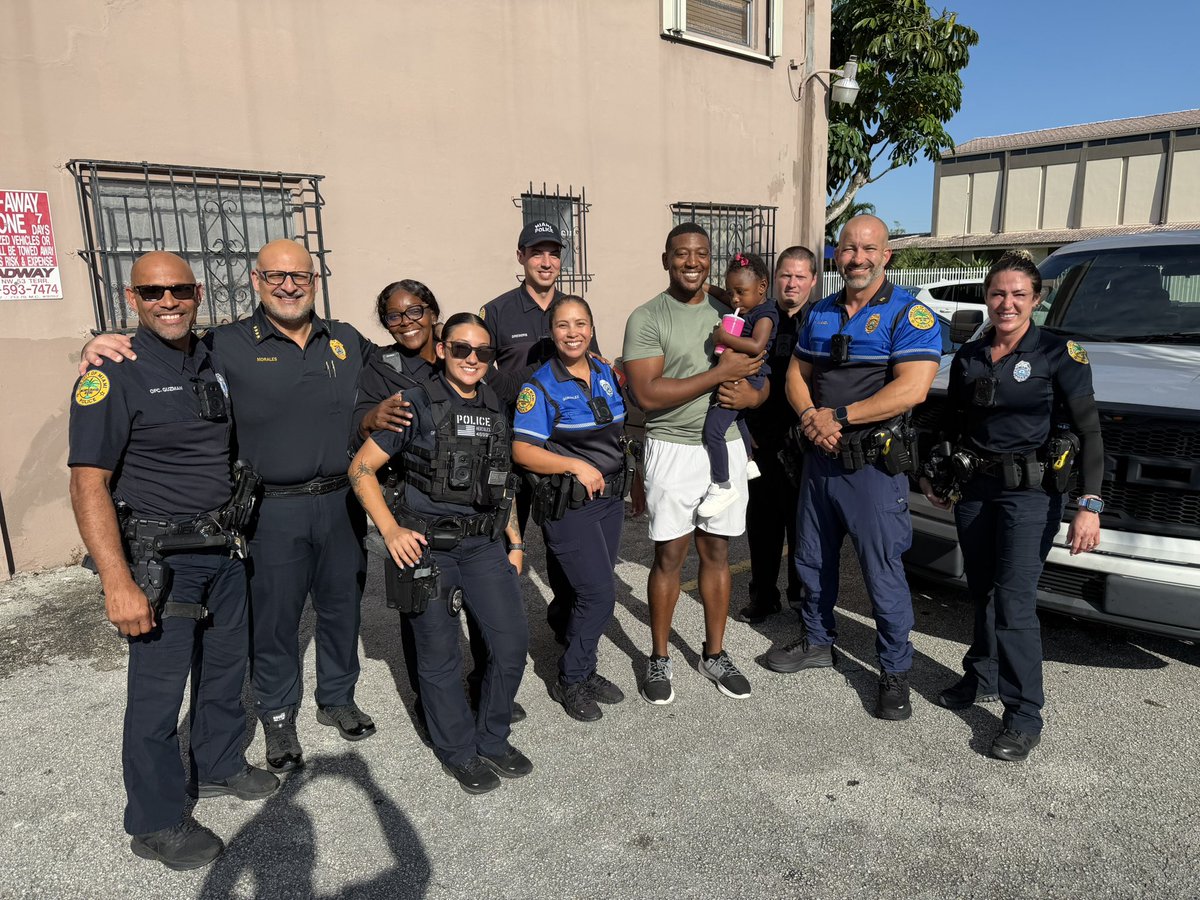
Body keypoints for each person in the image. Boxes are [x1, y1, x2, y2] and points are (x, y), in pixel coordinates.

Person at [80, 239, 390, 774]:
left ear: (315, 281)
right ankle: (277, 714)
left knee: (342, 608)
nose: (289, 285)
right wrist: (97, 346)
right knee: (275, 619)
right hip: (271, 508)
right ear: (255, 281)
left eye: (301, 276)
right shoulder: (222, 344)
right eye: (276, 277)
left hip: (341, 503)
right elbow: (158, 349)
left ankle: (337, 697)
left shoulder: (345, 339)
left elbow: (397, 374)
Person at [68, 252, 277, 871]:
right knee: (157, 698)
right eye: (153, 292)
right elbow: (87, 482)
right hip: (161, 559)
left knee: (222, 670)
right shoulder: (112, 373)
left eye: (180, 289)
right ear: (132, 299)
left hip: (222, 548)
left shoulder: (210, 358)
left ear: (198, 292)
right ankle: (155, 820)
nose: (169, 301)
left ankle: (216, 766)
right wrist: (116, 581)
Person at [920, 250, 1103, 761]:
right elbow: (952, 424)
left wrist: (1089, 503)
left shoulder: (1058, 352)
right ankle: (981, 675)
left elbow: (1089, 429)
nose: (1007, 303)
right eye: (998, 293)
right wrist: (936, 473)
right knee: (980, 590)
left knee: (1015, 601)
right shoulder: (973, 354)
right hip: (976, 490)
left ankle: (1024, 714)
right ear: (986, 297)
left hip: (1031, 494)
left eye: (1019, 294)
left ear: (1036, 300)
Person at [767, 215, 941, 722]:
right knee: (812, 560)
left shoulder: (910, 314)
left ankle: (894, 671)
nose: (857, 257)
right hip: (820, 460)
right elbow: (796, 374)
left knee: (881, 571)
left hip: (872, 467)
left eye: (868, 249)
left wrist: (837, 416)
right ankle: (818, 642)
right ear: (835, 256)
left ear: (887, 256)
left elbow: (912, 388)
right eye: (848, 248)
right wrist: (809, 418)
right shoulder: (820, 312)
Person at [348, 314, 530, 794]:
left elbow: (502, 481)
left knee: (510, 647)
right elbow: (361, 470)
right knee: (438, 655)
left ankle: (492, 738)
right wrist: (389, 531)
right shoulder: (415, 403)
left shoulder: (495, 404)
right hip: (428, 547)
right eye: (461, 349)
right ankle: (457, 750)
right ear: (443, 349)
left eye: (483, 352)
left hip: (485, 546)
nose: (472, 359)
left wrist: (515, 541)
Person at [622, 223, 768, 704]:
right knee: (669, 556)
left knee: (718, 553)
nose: (691, 261)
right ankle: (659, 656)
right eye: (681, 253)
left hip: (723, 444)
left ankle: (714, 653)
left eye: (701, 253)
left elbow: (761, 373)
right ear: (665, 259)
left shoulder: (732, 307)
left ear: (710, 259)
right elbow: (646, 394)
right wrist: (719, 373)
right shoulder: (647, 316)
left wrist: (752, 394)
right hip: (672, 447)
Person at [512, 295, 636, 721]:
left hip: (610, 500)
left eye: (580, 323)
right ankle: (572, 678)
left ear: (591, 327)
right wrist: (573, 464)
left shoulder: (605, 372)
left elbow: (619, 434)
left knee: (580, 590)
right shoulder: (541, 386)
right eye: (563, 325)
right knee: (599, 594)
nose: (572, 332)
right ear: (552, 332)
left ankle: (579, 656)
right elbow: (523, 450)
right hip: (571, 504)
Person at [480, 221, 598, 643]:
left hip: (560, 448)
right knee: (502, 543)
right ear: (520, 257)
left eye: (553, 253)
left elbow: (588, 371)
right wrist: (535, 376)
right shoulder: (496, 312)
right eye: (536, 253)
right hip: (514, 445)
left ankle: (566, 632)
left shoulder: (574, 310)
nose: (546, 262)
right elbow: (485, 381)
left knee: (563, 547)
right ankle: (501, 638)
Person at [739, 246, 819, 624]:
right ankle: (763, 596)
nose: (793, 283)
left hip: (804, 444)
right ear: (775, 279)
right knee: (762, 524)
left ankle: (801, 600)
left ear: (813, 281)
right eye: (787, 275)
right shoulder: (761, 318)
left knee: (802, 527)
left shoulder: (821, 321)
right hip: (762, 439)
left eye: (801, 277)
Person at [697, 251, 778, 517]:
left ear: (762, 287)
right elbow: (722, 295)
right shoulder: (746, 304)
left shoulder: (765, 314)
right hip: (742, 374)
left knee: (713, 430)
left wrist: (723, 337)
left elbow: (756, 346)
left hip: (749, 376)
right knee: (739, 419)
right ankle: (747, 461)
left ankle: (722, 485)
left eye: (740, 292)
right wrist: (704, 285)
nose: (734, 299)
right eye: (732, 292)